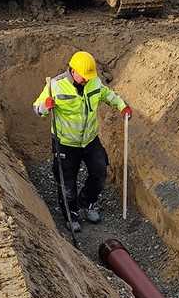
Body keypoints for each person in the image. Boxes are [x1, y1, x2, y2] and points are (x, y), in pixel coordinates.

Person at [33, 50, 132, 232]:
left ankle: (87, 202)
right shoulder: (55, 86)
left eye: (88, 77)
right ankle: (71, 214)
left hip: (89, 140)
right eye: (83, 76)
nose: (86, 79)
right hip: (65, 143)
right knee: (67, 183)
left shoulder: (94, 82)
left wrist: (122, 106)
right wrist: (45, 107)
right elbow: (37, 109)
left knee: (99, 171)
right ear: (72, 70)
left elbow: (107, 95)